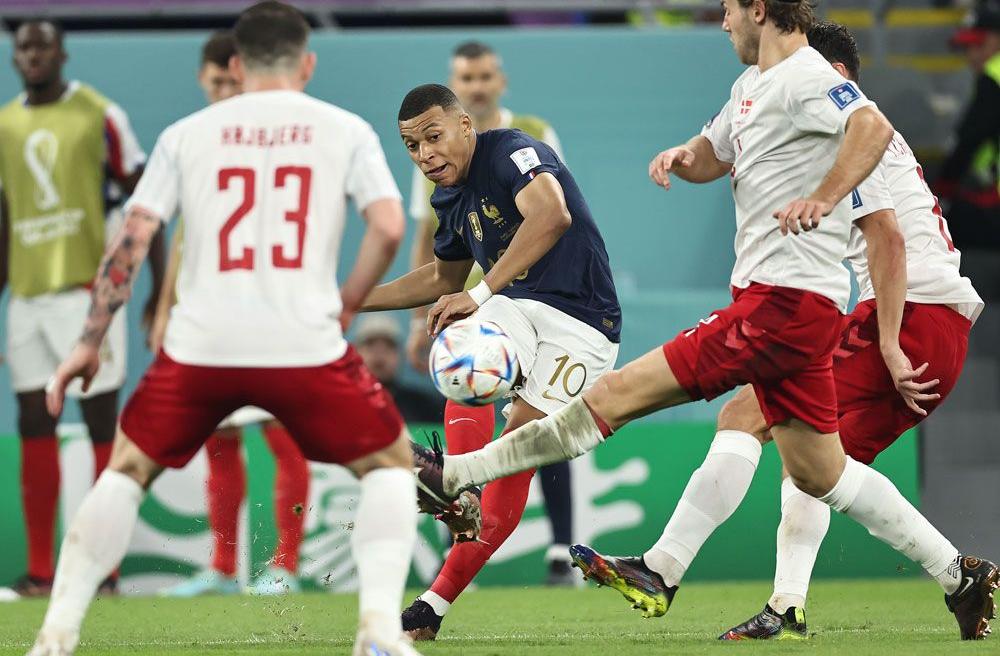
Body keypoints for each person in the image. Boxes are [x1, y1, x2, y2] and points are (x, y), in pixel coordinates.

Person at [411, 0, 998, 641]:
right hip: (821, 312)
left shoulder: (813, 85)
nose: (721, 22)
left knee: (615, 396)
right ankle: (952, 576)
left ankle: (459, 476)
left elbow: (876, 156)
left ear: (758, 10)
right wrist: (684, 157)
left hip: (800, 308)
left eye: (727, 9)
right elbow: (715, 150)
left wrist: (831, 213)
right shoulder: (755, 87)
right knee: (814, 468)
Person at [573, 21, 989, 641]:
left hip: (909, 317)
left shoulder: (851, 136)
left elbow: (889, 238)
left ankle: (664, 568)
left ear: (834, 76)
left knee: (746, 417)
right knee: (816, 465)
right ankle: (917, 582)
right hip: (924, 319)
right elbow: (721, 151)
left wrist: (888, 343)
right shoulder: (839, 129)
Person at [28, 4, 420, 656]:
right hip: (303, 342)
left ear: (236, 66)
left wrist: (89, 342)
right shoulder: (344, 129)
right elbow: (388, 225)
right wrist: (348, 303)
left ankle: (56, 635)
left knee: (127, 469)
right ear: (307, 63)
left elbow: (132, 239)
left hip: (201, 345)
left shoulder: (187, 134)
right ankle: (378, 630)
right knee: (389, 465)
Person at [361, 82, 621, 639]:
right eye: (412, 146)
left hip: (583, 321)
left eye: (433, 137)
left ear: (465, 126)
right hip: (519, 305)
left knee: (517, 447)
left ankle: (432, 603)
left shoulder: (510, 150)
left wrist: (478, 294)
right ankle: (459, 489)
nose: (425, 154)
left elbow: (551, 215)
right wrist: (353, 297)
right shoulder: (449, 197)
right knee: (461, 345)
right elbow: (442, 278)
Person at [0, 18, 164, 598]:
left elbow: (147, 202)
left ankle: (104, 570)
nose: (33, 55)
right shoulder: (5, 123)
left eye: (43, 45)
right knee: (32, 421)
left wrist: (156, 288)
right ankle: (41, 571)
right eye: (24, 47)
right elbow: (5, 218)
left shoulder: (99, 114)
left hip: (87, 296)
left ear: (62, 53)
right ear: (15, 57)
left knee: (99, 421)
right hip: (27, 297)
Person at [406, 40, 577, 587]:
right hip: (469, 308)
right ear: (456, 86)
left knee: (541, 416)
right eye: (467, 77)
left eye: (484, 76)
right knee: (470, 398)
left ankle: (560, 546)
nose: (477, 86)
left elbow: (554, 211)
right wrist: (417, 318)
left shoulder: (532, 134)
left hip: (533, 301)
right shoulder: (430, 151)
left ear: (498, 81)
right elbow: (428, 241)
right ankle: (460, 534)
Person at [151, 29, 310, 600]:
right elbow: (184, 236)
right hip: (210, 314)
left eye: (231, 82)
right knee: (218, 441)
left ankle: (285, 565)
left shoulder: (271, 141)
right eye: (215, 82)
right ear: (203, 79)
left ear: (245, 77)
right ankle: (221, 568)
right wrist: (165, 309)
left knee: (283, 439)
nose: (223, 92)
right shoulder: (195, 142)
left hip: (272, 312)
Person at [934, 0, 1000, 249]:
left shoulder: (994, 75)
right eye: (968, 48)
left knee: (943, 229)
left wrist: (942, 190)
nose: (972, 56)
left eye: (979, 45)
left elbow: (970, 137)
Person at [355, 314, 444, 423]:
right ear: (355, 353)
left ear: (401, 355)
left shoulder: (425, 407)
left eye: (389, 344)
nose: (380, 351)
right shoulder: (341, 404)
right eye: (370, 343)